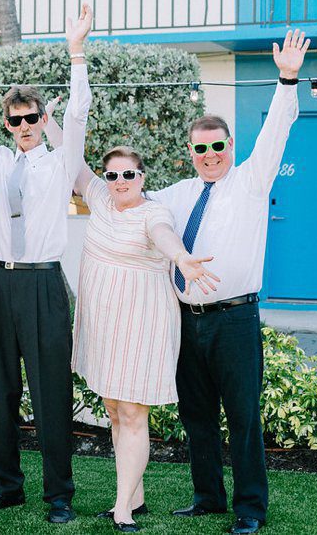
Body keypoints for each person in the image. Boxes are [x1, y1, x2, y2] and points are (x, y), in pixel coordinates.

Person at [148, 30, 310, 535]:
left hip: (235, 320)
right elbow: (134, 207)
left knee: (242, 417)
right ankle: (207, 497)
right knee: (196, 415)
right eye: (201, 148)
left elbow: (277, 133)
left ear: (229, 146)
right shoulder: (177, 193)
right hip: (187, 322)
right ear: (190, 151)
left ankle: (250, 509)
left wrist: (286, 79)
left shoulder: (250, 180)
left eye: (218, 146)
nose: (210, 154)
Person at [0, 7, 93, 522]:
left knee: (51, 392)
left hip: (44, 284)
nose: (26, 126)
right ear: (7, 124)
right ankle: (7, 486)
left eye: (33, 118)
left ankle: (59, 495)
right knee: (1, 390)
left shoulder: (62, 161)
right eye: (17, 120)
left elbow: (78, 113)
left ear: (41, 120)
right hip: (1, 285)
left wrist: (75, 51)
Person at [70, 146, 219, 532]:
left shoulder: (154, 212)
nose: (120, 182)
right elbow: (72, 158)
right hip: (104, 326)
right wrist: (54, 120)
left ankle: (122, 508)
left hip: (142, 324)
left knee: (134, 413)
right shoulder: (100, 198)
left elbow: (164, 236)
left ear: (143, 178)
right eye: (113, 176)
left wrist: (182, 257)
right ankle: (134, 495)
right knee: (116, 410)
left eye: (129, 175)